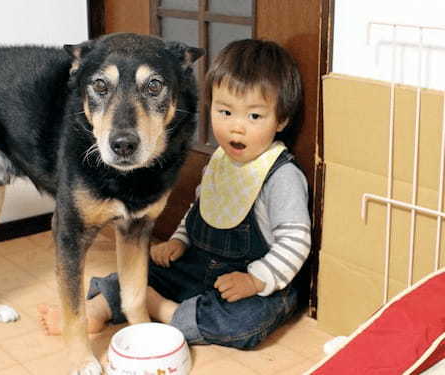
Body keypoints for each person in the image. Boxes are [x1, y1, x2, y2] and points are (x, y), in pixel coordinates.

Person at [38, 38, 310, 349]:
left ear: (282, 120)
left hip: (252, 279)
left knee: (247, 321)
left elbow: (296, 242)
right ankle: (98, 309)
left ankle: (164, 310)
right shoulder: (219, 162)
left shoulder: (282, 176)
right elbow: (201, 209)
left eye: (254, 117)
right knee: (143, 273)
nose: (236, 128)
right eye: (224, 112)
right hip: (198, 266)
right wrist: (180, 240)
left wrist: (256, 279)